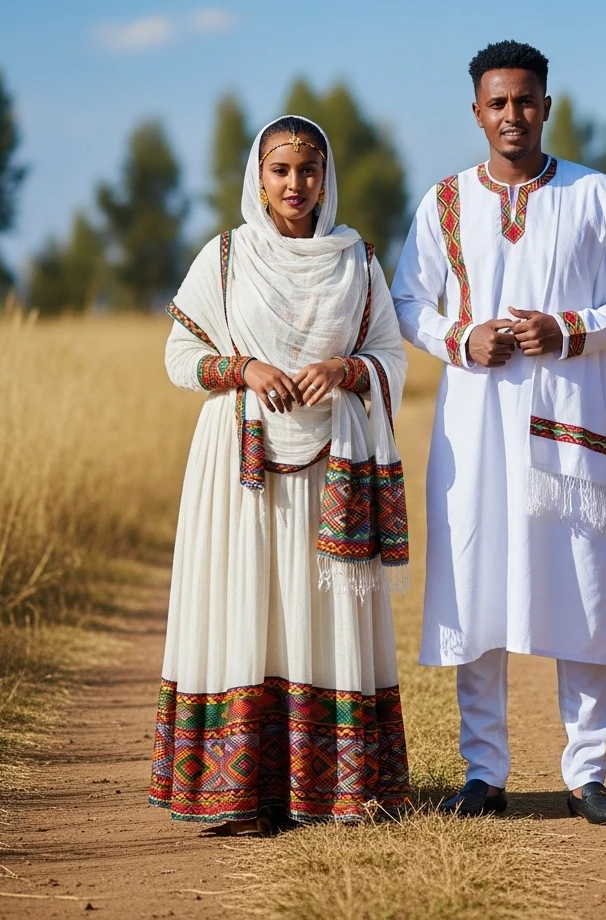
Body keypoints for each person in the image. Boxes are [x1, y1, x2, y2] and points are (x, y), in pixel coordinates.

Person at [391, 41, 606, 824]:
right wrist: (460, 339)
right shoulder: (443, 202)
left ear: (549, 104)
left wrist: (568, 329)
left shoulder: (598, 197)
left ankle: (587, 774)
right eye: (498, 103)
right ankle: (486, 773)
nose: (513, 115)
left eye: (526, 100)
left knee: (578, 583)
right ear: (477, 113)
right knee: (476, 585)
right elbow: (410, 304)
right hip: (473, 427)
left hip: (565, 425)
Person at [150, 115, 411, 835]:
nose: (295, 184)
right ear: (257, 179)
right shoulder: (227, 258)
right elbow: (179, 355)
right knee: (246, 608)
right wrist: (245, 369)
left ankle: (329, 792)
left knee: (318, 614)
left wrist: (348, 369)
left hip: (333, 462)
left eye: (309, 170)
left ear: (327, 177)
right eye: (280, 170)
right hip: (239, 466)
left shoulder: (357, 262)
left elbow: (392, 356)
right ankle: (243, 795)